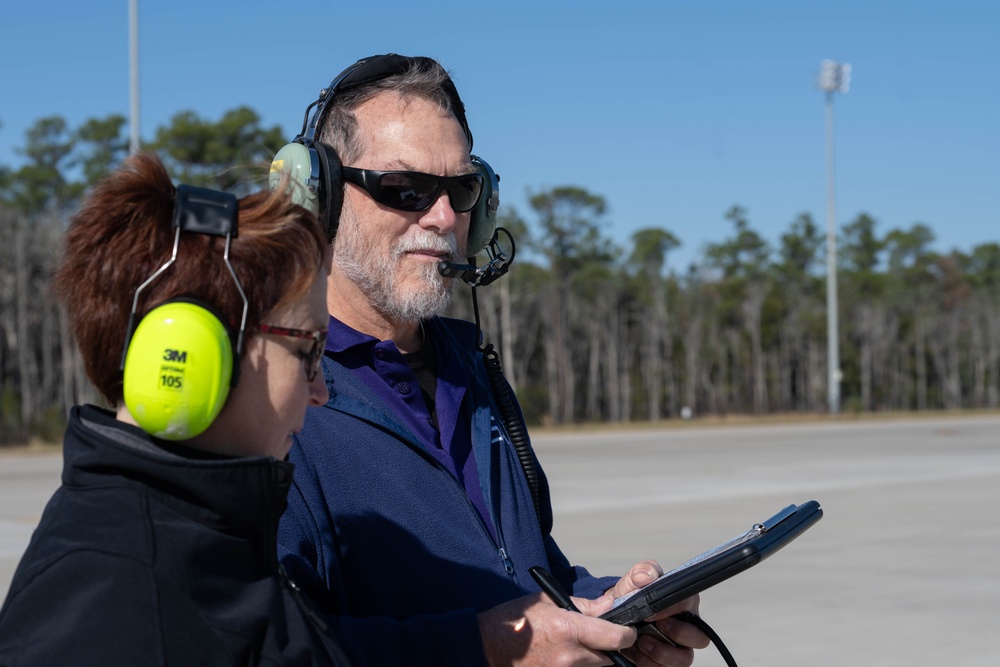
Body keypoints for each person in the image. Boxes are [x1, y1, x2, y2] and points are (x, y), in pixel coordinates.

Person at [274, 54, 709, 667]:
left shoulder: (469, 368)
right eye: (406, 189)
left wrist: (606, 610)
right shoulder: (274, 393)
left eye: (462, 189)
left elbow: (528, 579)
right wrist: (485, 649)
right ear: (317, 200)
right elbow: (269, 649)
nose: (445, 217)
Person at [0, 152, 351, 666]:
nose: (321, 390)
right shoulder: (118, 612)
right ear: (191, 352)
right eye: (309, 351)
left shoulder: (192, 538)